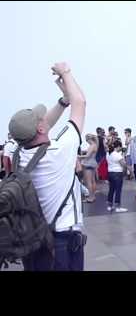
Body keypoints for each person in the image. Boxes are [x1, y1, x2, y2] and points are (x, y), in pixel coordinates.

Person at [8, 62, 86, 271]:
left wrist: (63, 101)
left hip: (33, 241)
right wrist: (66, 72)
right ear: (41, 128)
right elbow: (81, 103)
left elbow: (44, 126)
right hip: (61, 242)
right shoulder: (58, 152)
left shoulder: (18, 154)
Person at [106, 140, 128, 213]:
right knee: (118, 190)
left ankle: (109, 206)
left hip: (110, 173)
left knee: (111, 190)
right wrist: (125, 172)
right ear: (118, 147)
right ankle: (117, 207)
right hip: (117, 173)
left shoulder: (109, 154)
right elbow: (124, 164)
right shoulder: (117, 155)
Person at [78, 133, 98, 203]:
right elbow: (89, 153)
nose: (86, 141)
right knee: (92, 181)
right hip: (92, 164)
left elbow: (87, 156)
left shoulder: (92, 146)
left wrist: (78, 156)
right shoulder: (94, 145)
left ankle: (91, 197)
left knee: (88, 182)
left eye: (86, 140)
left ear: (89, 139)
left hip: (88, 164)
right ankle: (93, 196)